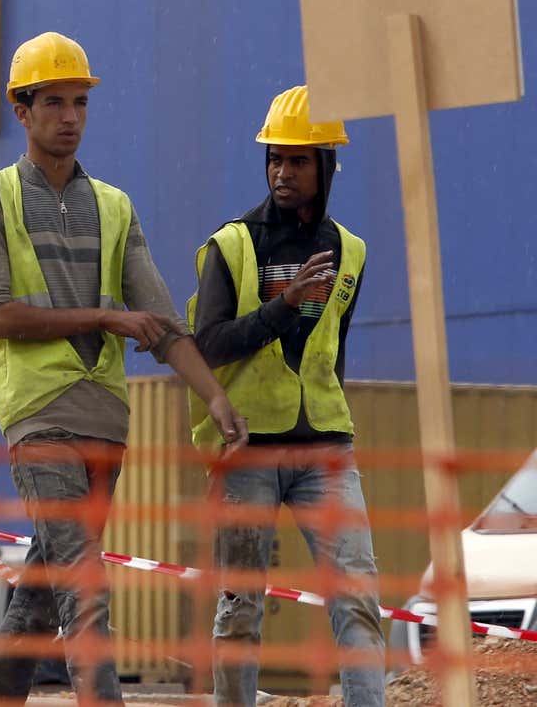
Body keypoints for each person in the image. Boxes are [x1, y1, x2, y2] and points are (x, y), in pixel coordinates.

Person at [0, 31, 247, 705]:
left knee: (43, 592)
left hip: (105, 424)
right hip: (36, 414)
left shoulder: (114, 207)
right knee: (84, 589)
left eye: (80, 102)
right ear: (21, 112)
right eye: (54, 102)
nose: (69, 116)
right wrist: (104, 317)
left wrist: (213, 396)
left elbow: (161, 321)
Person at [187, 84, 384, 706]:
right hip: (250, 450)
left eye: (298, 160)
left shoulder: (350, 250)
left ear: (326, 165)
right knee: (240, 606)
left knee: (358, 596)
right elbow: (208, 344)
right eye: (275, 157)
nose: (282, 171)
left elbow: (331, 349)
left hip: (326, 450)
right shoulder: (231, 245)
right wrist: (282, 307)